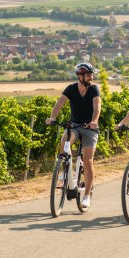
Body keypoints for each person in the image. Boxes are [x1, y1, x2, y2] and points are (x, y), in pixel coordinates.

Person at [46, 62, 101, 209]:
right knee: (65, 140)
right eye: (89, 75)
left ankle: (87, 195)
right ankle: (64, 171)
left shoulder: (94, 89)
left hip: (90, 128)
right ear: (80, 76)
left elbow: (97, 107)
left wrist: (94, 121)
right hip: (75, 126)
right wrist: (52, 117)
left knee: (88, 160)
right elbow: (60, 103)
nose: (91, 77)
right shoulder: (71, 89)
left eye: (91, 75)